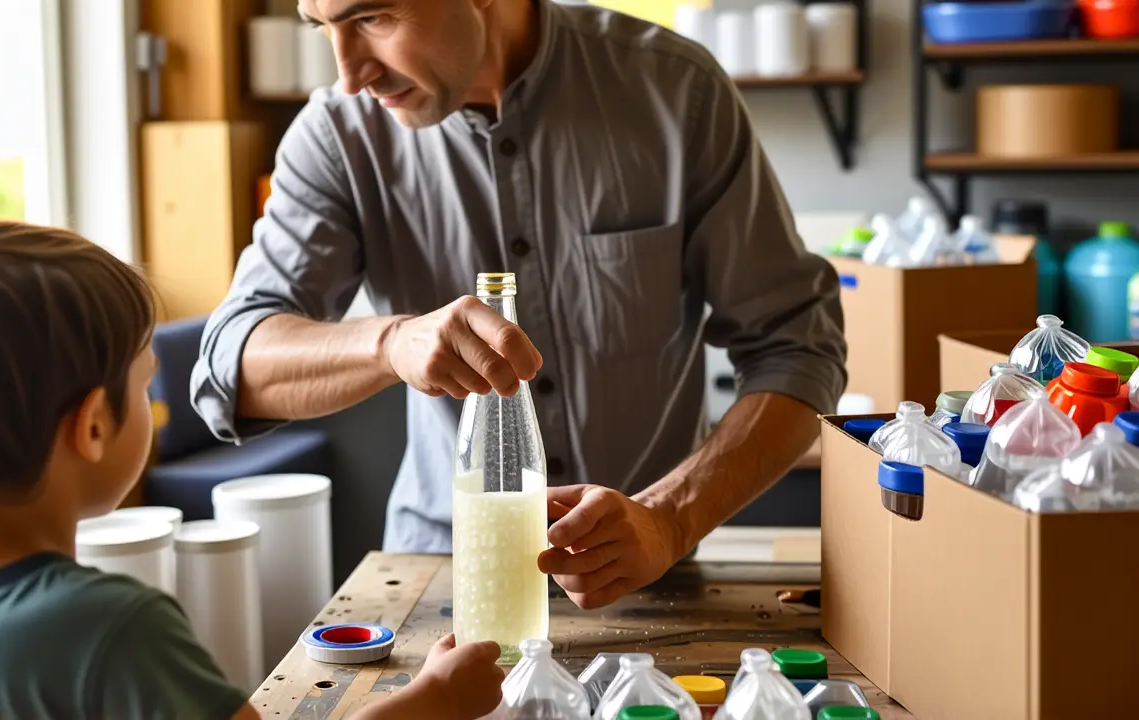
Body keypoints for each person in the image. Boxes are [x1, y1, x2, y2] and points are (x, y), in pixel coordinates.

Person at [193, 0, 847, 610]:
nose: (349, 74)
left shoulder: (678, 93)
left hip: (648, 580)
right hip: (440, 583)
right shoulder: (336, 137)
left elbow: (798, 348)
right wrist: (391, 343)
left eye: (372, 18)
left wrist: (670, 518)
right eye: (320, 24)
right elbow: (230, 366)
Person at [0, 221, 504, 720]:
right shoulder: (114, 627)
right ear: (93, 426)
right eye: (147, 387)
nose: (155, 406)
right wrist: (438, 701)